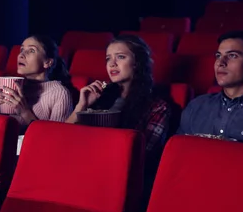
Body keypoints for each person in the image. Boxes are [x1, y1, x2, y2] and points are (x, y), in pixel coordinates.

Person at [66, 34, 171, 192]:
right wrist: (82, 106)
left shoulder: (157, 106)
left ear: (137, 63)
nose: (112, 64)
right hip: (83, 167)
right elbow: (65, 136)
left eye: (120, 57)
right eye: (108, 58)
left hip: (119, 179)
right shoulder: (100, 96)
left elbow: (142, 156)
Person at [178, 31, 243, 144]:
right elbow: (178, 153)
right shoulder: (196, 107)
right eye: (218, 56)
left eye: (232, 55)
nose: (221, 62)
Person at [0, 35, 73, 131]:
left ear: (47, 62)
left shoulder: (60, 93)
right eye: (22, 50)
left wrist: (24, 112)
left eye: (31, 50)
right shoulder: (18, 87)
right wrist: (1, 109)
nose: (21, 55)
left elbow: (54, 139)